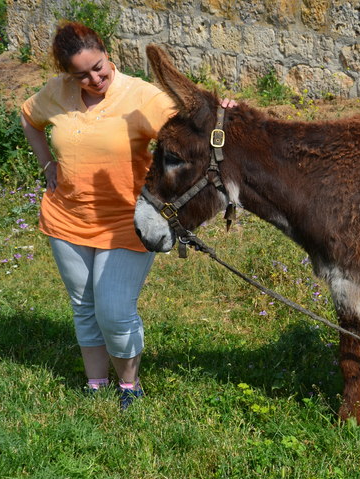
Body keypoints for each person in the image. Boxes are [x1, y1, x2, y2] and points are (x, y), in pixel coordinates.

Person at [21, 22, 236, 409]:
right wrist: (46, 164)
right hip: (67, 218)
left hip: (129, 220)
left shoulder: (141, 97)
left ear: (106, 52)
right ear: (67, 74)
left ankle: (129, 385)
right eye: (81, 74)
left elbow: (194, 125)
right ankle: (95, 383)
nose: (94, 78)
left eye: (98, 66)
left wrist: (222, 115)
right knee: (85, 306)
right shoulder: (57, 93)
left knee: (114, 310)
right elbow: (28, 118)